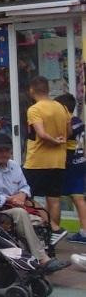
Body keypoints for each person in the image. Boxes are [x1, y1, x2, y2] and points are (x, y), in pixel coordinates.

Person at [0, 132, 70, 273]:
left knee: (40, 214)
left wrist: (23, 194)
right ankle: (43, 259)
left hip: (14, 205)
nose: (4, 153)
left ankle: (38, 255)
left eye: (7, 150)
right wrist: (8, 199)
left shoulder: (14, 165)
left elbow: (25, 186)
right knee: (21, 213)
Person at [24, 76, 69, 245]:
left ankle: (53, 227)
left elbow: (41, 134)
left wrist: (53, 140)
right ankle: (52, 236)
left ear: (32, 90)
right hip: (58, 160)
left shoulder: (35, 109)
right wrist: (59, 140)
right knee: (54, 199)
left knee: (25, 195)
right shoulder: (61, 107)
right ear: (48, 90)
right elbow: (69, 130)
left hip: (37, 161)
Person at [54, 93, 86, 245]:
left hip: (72, 164)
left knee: (58, 198)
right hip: (78, 163)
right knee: (74, 198)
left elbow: (68, 135)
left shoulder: (73, 122)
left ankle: (56, 231)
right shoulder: (79, 121)